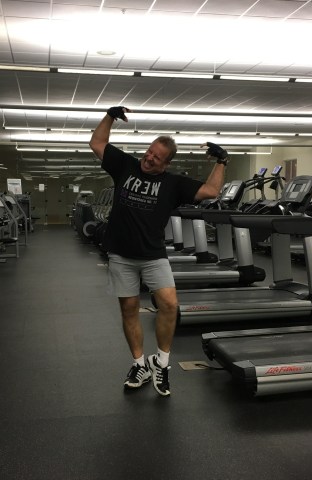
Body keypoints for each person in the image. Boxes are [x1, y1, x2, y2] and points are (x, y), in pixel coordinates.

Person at [89, 106, 229, 397]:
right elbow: (97, 142)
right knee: (129, 309)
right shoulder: (125, 165)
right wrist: (110, 116)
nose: (149, 158)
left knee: (169, 305)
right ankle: (139, 364)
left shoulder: (173, 183)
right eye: (149, 152)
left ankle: (161, 364)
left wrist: (222, 161)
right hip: (120, 255)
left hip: (153, 256)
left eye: (157, 157)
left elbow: (211, 191)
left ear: (166, 164)